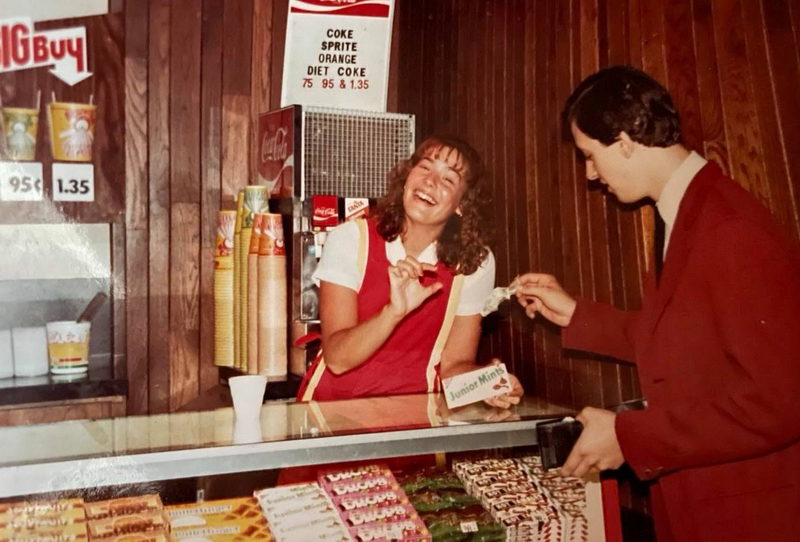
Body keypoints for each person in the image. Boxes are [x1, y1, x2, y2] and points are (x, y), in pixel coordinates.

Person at [514, 66, 800, 542]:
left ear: (625, 141)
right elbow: (684, 339)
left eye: (590, 156)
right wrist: (574, 313)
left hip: (746, 513)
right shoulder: (686, 210)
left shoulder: (730, 228)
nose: (590, 175)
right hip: (698, 500)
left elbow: (783, 400)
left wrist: (630, 436)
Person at [298, 134, 523, 406]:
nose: (430, 182)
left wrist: (486, 383)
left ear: (462, 204)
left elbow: (454, 366)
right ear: (407, 177)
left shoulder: (475, 263)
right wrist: (393, 312)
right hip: (332, 413)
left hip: (416, 415)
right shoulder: (351, 239)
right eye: (425, 167)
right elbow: (337, 359)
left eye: (448, 179)